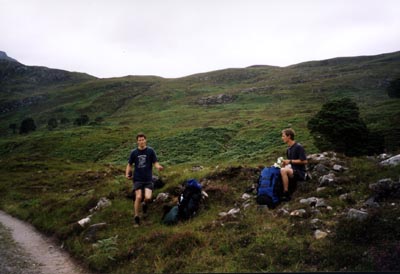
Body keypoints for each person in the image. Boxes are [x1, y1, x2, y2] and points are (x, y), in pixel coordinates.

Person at [126, 133, 163, 226]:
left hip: (148, 179)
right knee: (138, 197)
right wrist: (127, 173)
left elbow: (155, 162)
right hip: (137, 179)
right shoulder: (134, 153)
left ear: (145, 140)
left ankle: (144, 204)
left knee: (148, 197)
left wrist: (158, 167)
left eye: (143, 139)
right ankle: (136, 217)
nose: (141, 141)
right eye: (139, 140)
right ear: (137, 141)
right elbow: (129, 164)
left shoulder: (150, 151)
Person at [280, 128, 307, 201]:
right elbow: (289, 163)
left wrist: (290, 161)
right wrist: (285, 164)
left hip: (300, 172)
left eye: (283, 136)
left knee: (283, 170)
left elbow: (304, 161)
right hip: (292, 170)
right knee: (280, 169)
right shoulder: (288, 149)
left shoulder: (298, 147)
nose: (282, 138)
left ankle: (286, 192)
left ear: (289, 136)